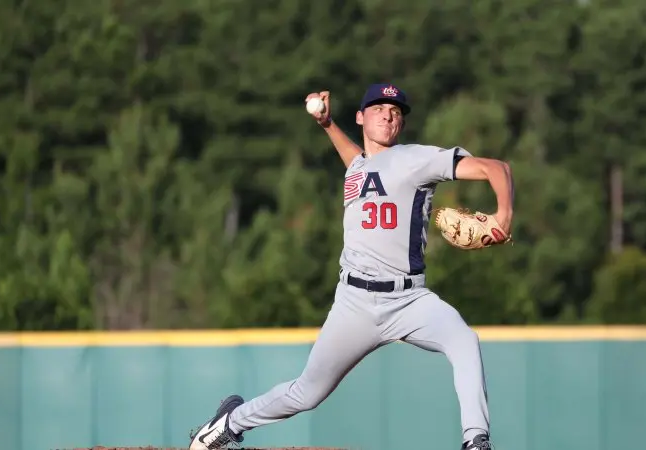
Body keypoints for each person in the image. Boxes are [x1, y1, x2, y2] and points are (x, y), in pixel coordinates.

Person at [188, 83, 514, 450]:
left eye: (397, 111)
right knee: (305, 394)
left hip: (409, 300)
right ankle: (228, 423)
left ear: (402, 124)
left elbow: (494, 167)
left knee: (464, 341)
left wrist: (503, 213)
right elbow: (360, 162)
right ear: (360, 117)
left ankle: (475, 440)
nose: (389, 114)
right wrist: (327, 124)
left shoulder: (417, 159)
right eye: (379, 107)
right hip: (354, 303)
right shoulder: (358, 167)